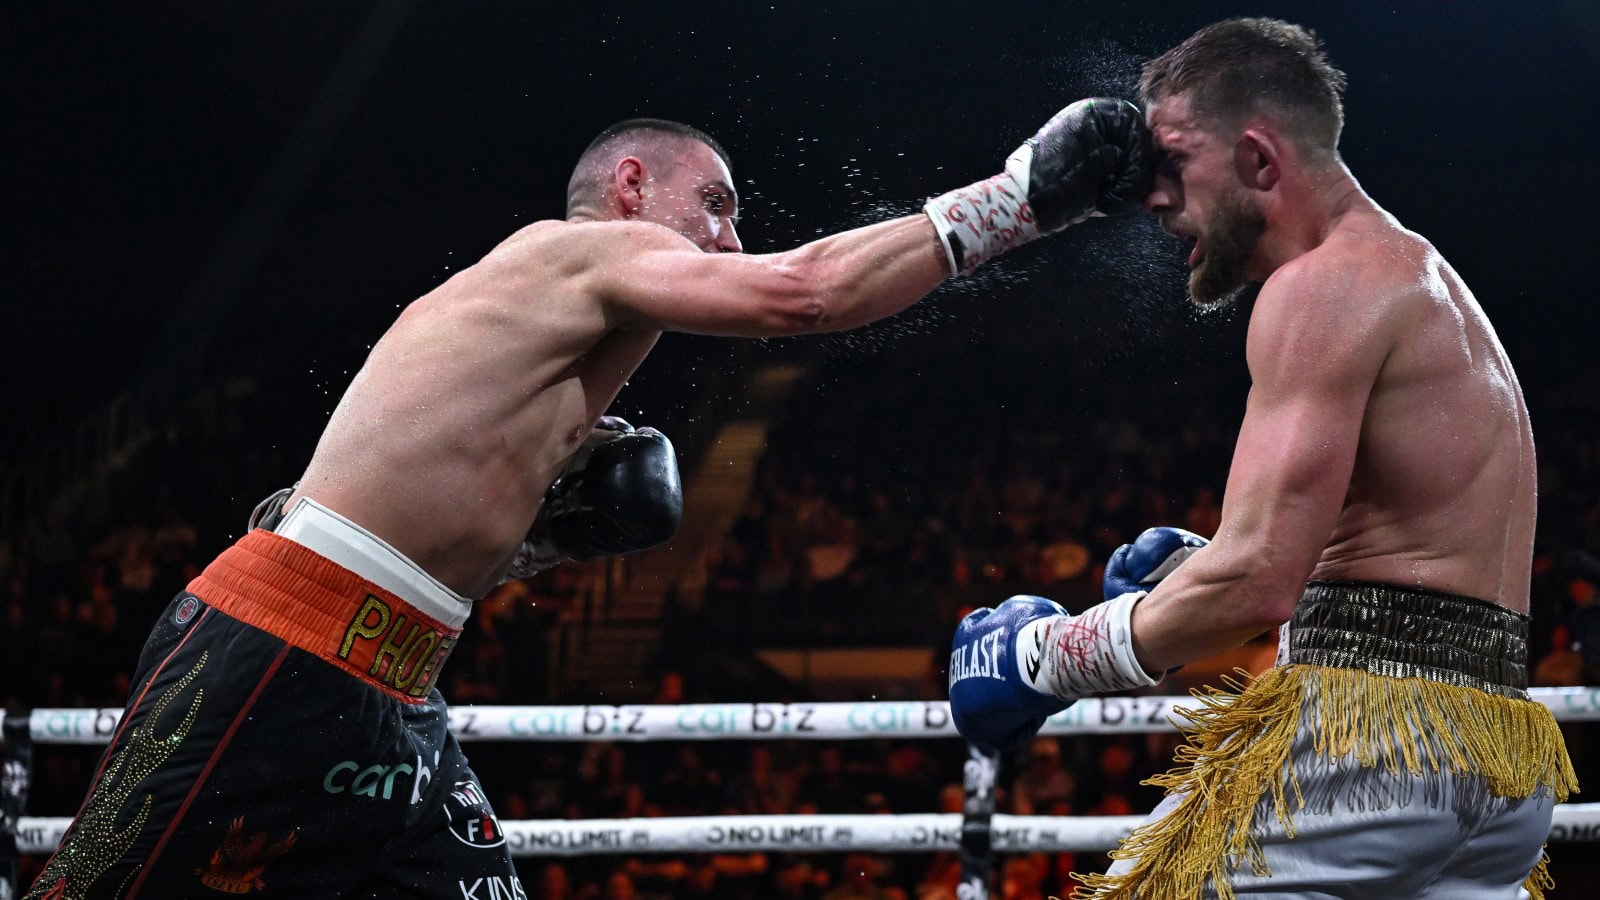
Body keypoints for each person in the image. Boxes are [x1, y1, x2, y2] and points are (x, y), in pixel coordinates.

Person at [32, 106, 1153, 899]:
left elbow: (423, 516)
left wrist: (536, 543)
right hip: (276, 648)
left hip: (391, 687)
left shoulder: (555, 362)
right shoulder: (572, 256)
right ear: (630, 189)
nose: (729, 237)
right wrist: (1016, 203)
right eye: (713, 206)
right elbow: (802, 292)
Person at [947, 18, 1576, 899]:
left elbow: (1257, 584)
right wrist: (1202, 571)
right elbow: (1395, 565)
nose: (1151, 200)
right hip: (1498, 760)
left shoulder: (1321, 287)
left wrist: (1044, 657)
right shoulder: (1421, 279)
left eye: (1173, 165)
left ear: (1257, 157)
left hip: (1368, 746)